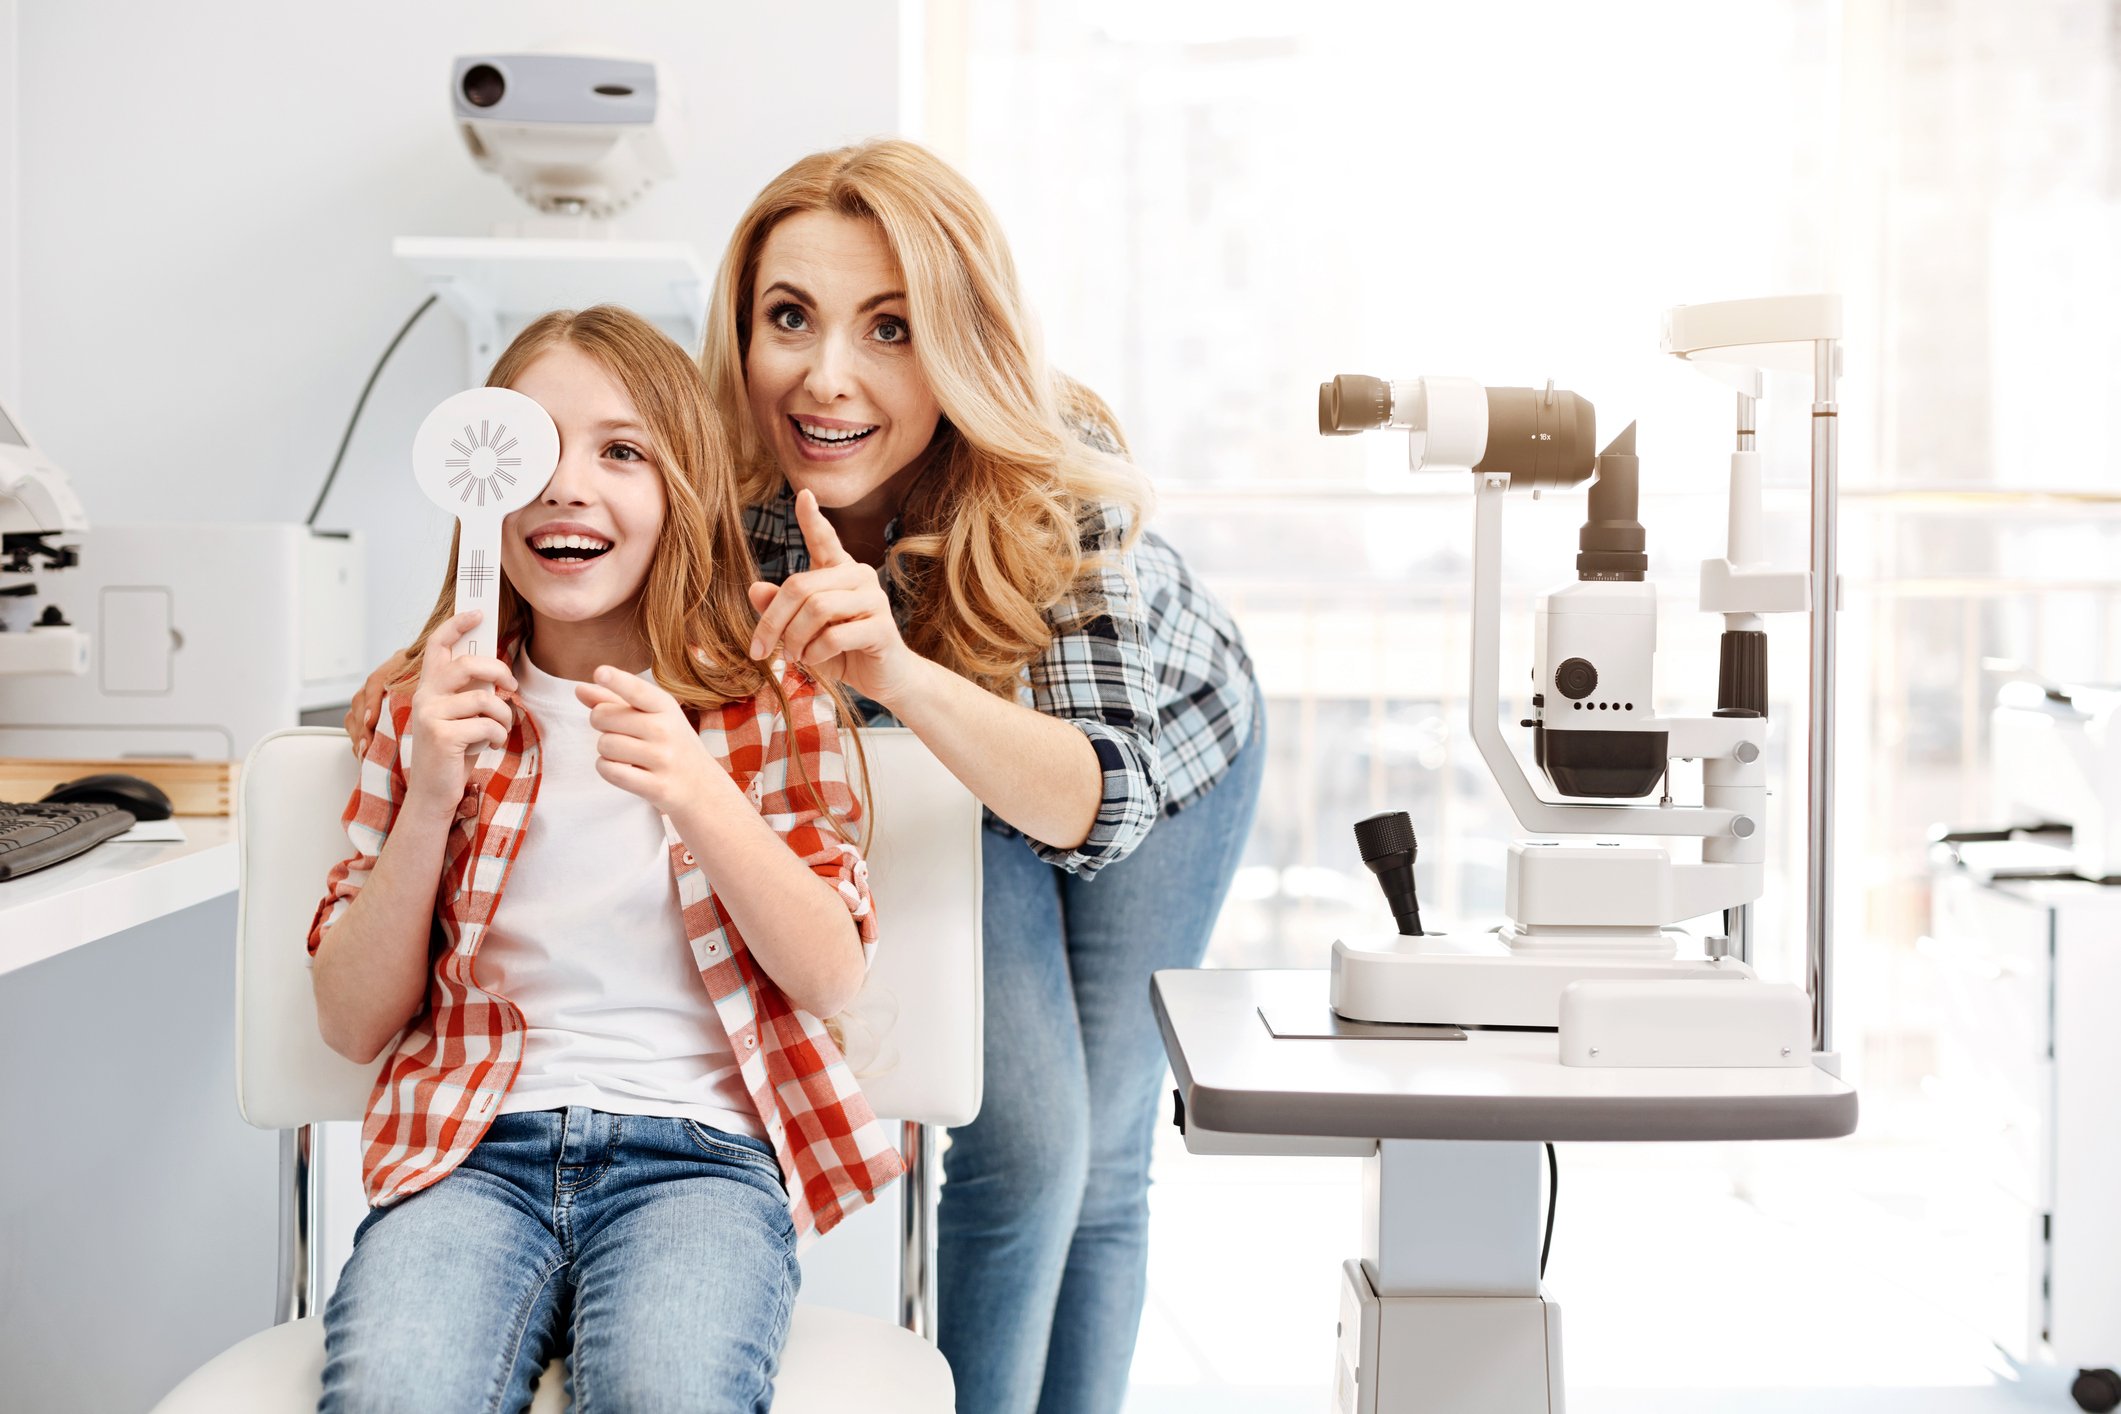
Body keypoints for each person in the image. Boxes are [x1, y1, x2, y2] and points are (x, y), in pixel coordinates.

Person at [349, 140, 1264, 1414]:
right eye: (790, 318)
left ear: (957, 338)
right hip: (915, 762)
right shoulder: (716, 469)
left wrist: (896, 671)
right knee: (1025, 1138)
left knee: (1100, 1152)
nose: (827, 376)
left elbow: (1094, 796)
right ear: (743, 329)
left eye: (890, 327)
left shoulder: (1049, 464)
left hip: (1144, 749)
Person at [313, 305, 898, 1414]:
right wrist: (433, 788)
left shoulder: (770, 703)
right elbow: (350, 1022)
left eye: (621, 451)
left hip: (701, 1163)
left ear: (683, 487)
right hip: (469, 1153)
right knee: (393, 1391)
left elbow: (831, 975)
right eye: (529, 446)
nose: (567, 486)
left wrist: (697, 791)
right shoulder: (420, 713)